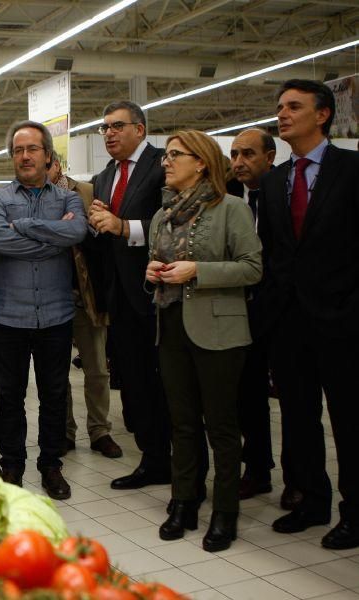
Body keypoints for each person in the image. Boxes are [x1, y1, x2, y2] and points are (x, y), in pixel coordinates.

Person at [146, 130, 261, 552]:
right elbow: (154, 264)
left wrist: (199, 270)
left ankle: (225, 512)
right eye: (166, 155)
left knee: (222, 425)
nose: (166, 162)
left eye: (176, 155)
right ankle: (184, 501)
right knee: (182, 422)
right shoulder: (162, 214)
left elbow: (252, 268)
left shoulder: (230, 209)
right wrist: (152, 274)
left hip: (219, 330)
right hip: (171, 326)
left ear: (201, 162)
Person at [260, 79, 359, 550]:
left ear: (322, 115)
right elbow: (276, 250)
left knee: (349, 419)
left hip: (343, 319)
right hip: (289, 320)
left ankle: (355, 512)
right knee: (299, 417)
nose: (282, 114)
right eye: (280, 107)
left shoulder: (351, 169)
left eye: (293, 106)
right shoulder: (275, 180)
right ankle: (311, 500)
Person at [0, 121, 87, 500]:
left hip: (56, 316)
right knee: (8, 396)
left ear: (47, 156)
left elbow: (76, 234)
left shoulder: (69, 199)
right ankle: (12, 464)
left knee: (54, 394)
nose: (24, 156)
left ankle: (51, 465)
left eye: (32, 149)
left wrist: (23, 225)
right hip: (8, 315)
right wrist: (52, 236)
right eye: (18, 150)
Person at [87, 101, 171, 490]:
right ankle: (153, 460)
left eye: (117, 126)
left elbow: (176, 219)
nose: (109, 134)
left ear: (140, 129)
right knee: (134, 386)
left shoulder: (163, 165)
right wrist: (96, 221)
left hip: (159, 293)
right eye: (104, 129)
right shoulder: (105, 176)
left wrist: (124, 226)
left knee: (167, 385)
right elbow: (105, 232)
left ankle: (180, 461)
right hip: (119, 297)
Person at [229, 128, 292, 505]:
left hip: (283, 310)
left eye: (248, 154)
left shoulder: (282, 193)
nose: (239, 162)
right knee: (247, 395)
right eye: (235, 154)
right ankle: (257, 469)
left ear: (269, 157)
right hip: (242, 309)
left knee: (295, 399)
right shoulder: (230, 197)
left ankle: (300, 478)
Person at [49, 151, 121, 460]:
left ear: (56, 164)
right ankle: (65, 432)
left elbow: (105, 242)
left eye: (46, 164)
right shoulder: (33, 196)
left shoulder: (88, 192)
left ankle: (100, 431)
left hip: (87, 294)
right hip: (51, 297)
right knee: (56, 372)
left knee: (95, 369)